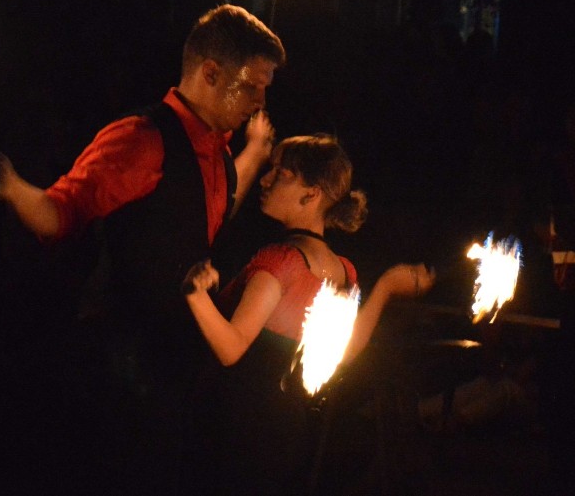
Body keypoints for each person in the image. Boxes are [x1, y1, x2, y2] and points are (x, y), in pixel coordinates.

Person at [0, 4, 286, 494]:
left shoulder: (218, 147)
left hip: (175, 367)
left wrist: (252, 154)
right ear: (209, 72)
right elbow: (61, 214)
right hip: (124, 368)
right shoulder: (142, 139)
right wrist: (12, 187)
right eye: (252, 85)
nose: (261, 99)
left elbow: (203, 210)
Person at [181, 134, 435, 495]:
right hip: (288, 429)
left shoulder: (281, 261)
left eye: (281, 174)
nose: (266, 181)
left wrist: (193, 292)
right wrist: (386, 289)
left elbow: (231, 347)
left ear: (311, 194)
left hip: (237, 425)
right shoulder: (343, 270)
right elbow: (342, 354)